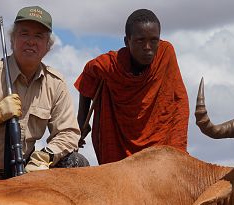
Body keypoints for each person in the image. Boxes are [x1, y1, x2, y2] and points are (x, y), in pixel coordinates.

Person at [0, 5, 89, 199]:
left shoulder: (56, 83)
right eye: (24, 33)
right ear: (12, 40)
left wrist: (45, 156)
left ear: (48, 46)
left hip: (25, 171)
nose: (31, 41)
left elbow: (69, 133)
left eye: (38, 36)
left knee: (76, 163)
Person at [75, 9, 189, 165]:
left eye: (154, 40)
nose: (148, 47)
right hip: (118, 144)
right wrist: (82, 120)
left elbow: (178, 101)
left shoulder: (165, 54)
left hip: (160, 144)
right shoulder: (112, 65)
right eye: (140, 41)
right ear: (127, 41)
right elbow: (89, 73)